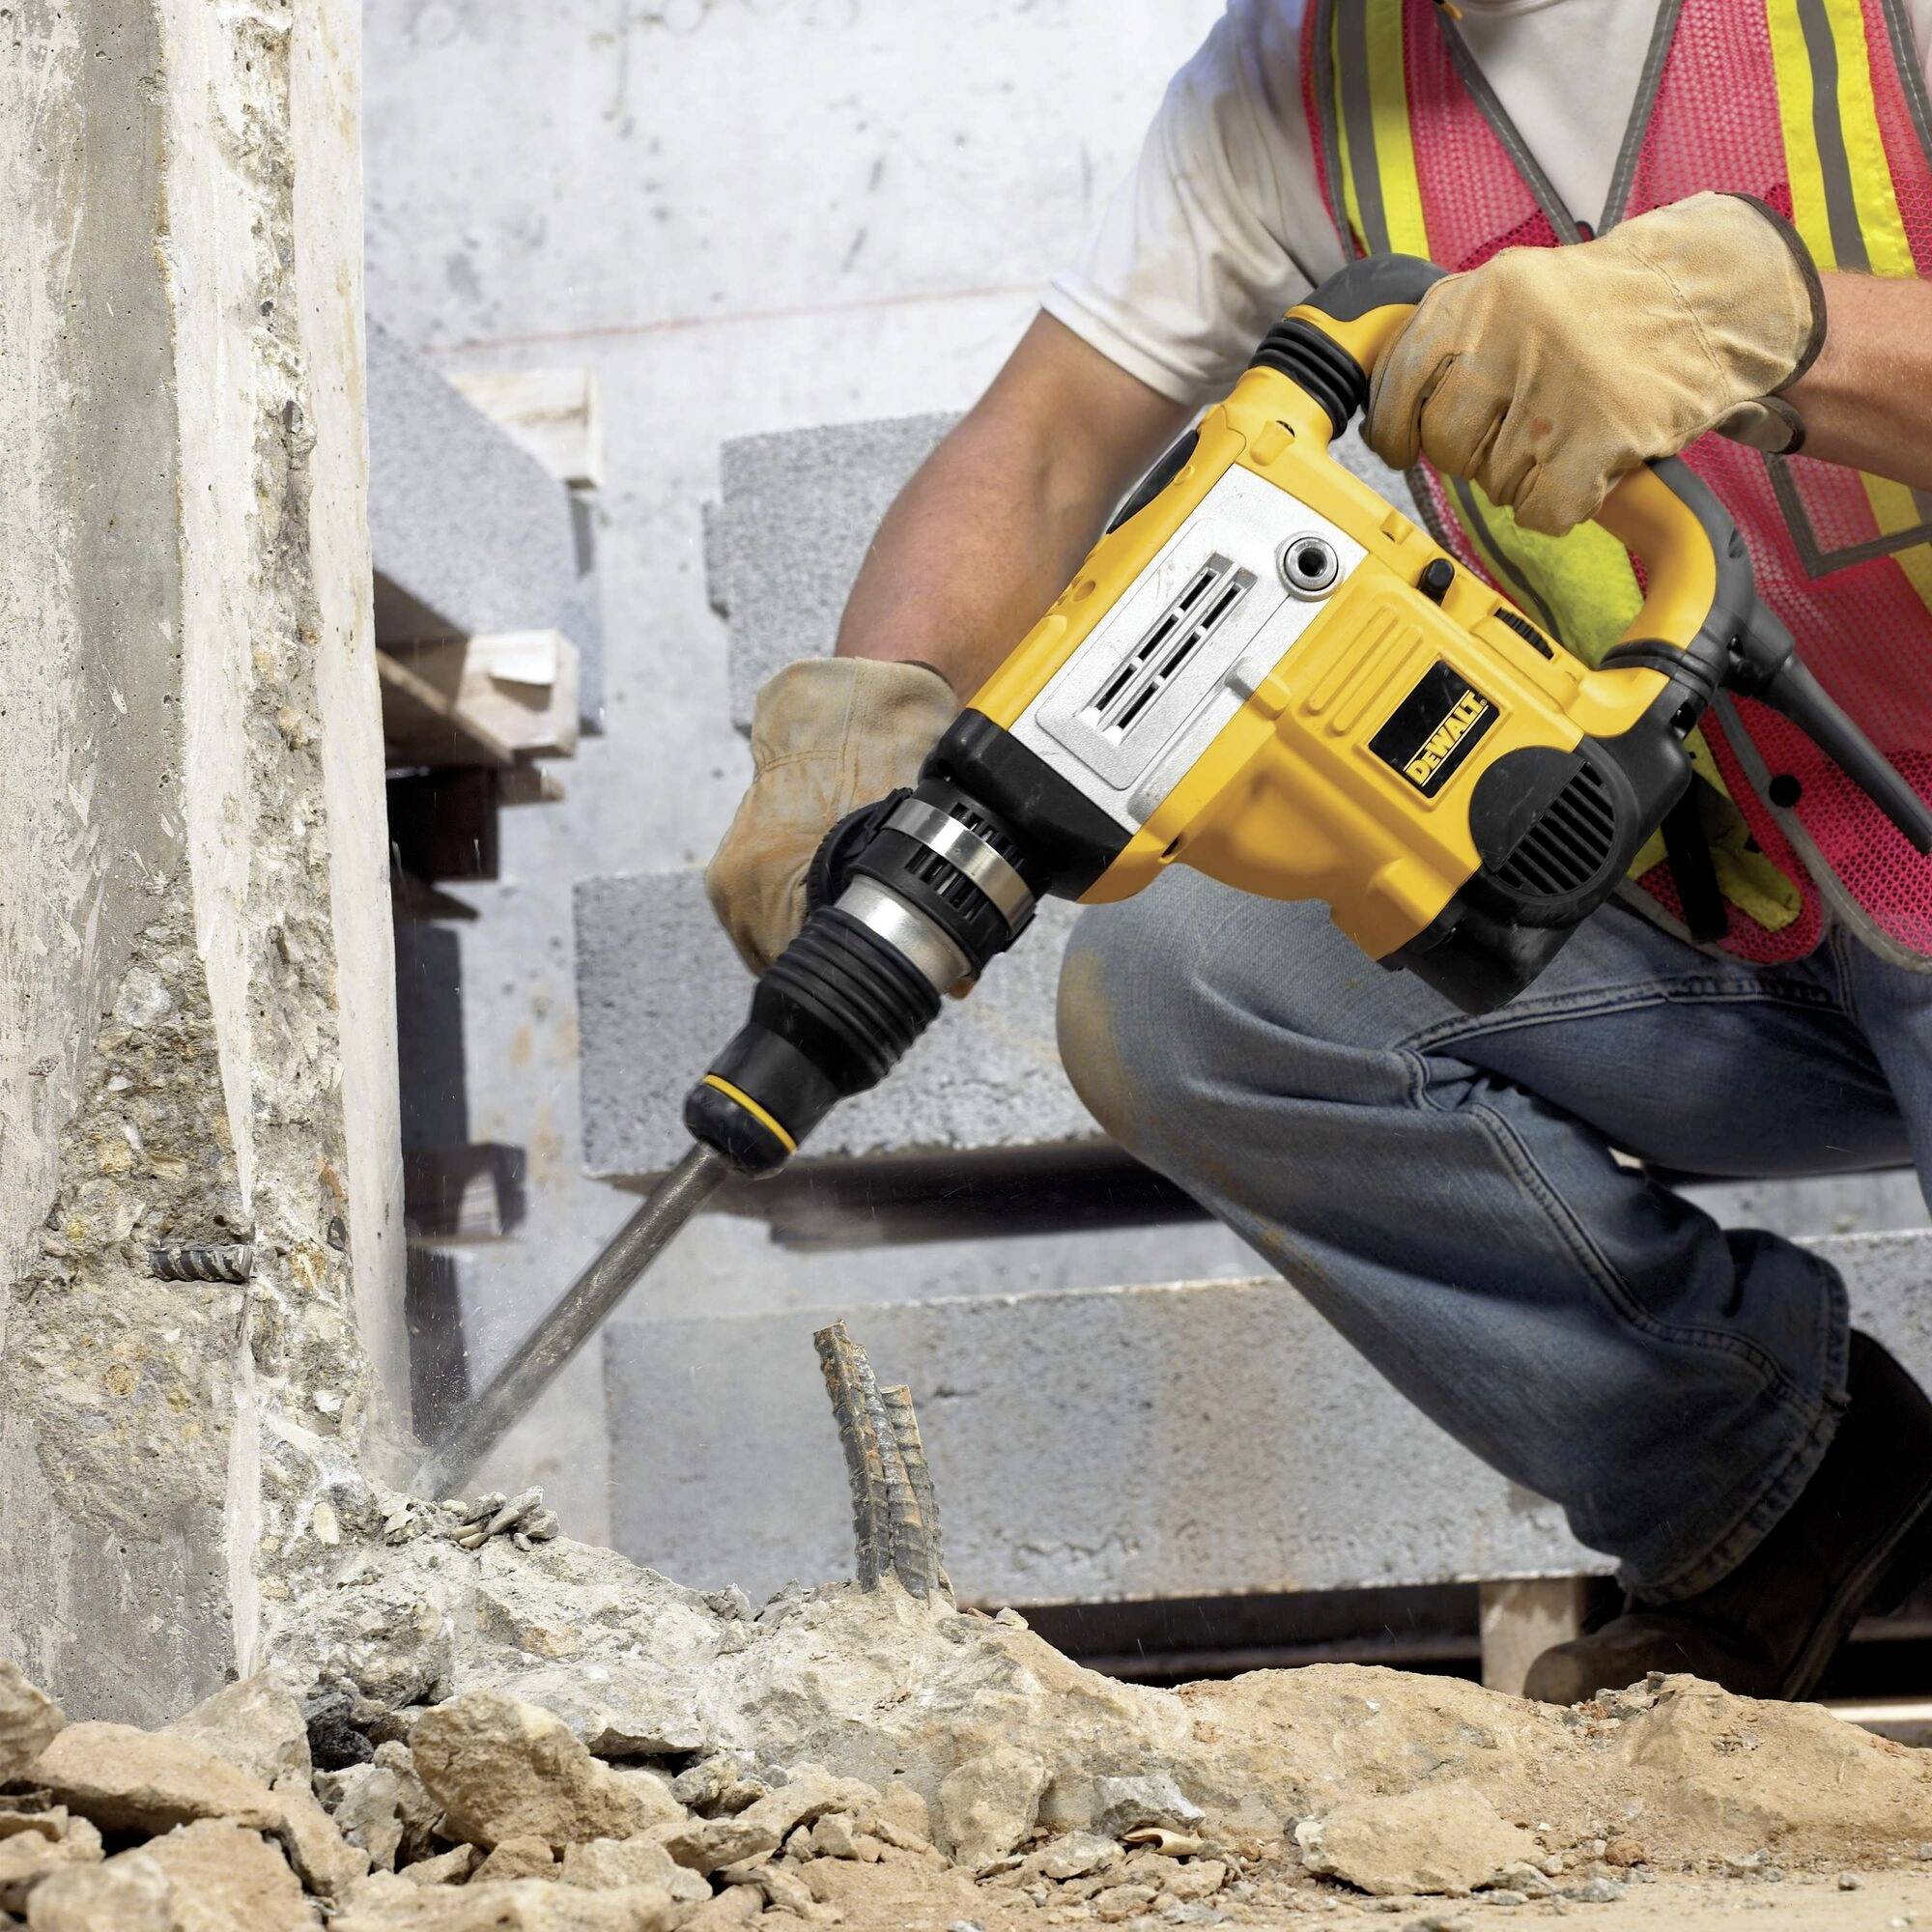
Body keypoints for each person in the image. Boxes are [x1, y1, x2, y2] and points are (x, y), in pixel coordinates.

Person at [704, 0, 1932, 1703]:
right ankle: (1778, 1493)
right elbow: (1048, 440)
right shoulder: (1290, 76)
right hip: (1708, 905)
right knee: (1189, 984)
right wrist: (873, 707)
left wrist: (1784, 340)